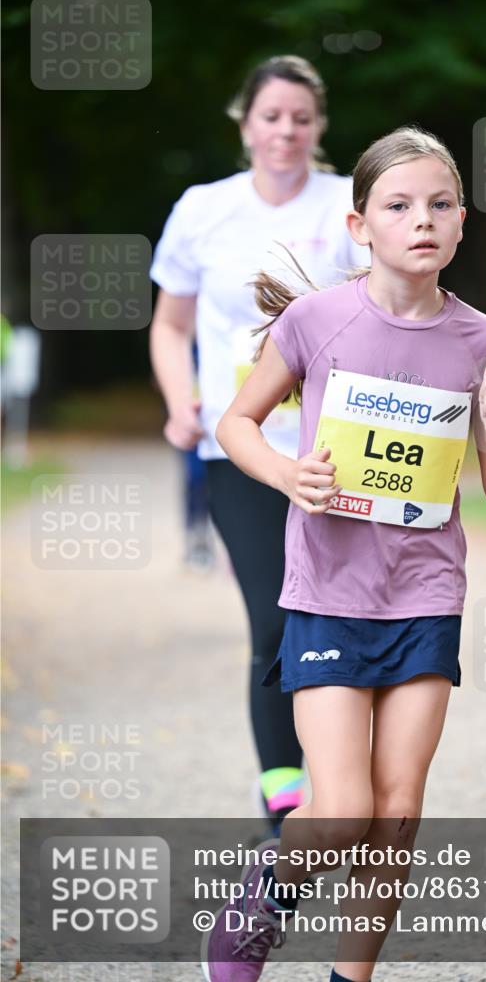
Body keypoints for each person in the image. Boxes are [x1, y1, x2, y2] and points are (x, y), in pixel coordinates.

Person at [202, 127, 486, 982]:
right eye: (398, 205)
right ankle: (266, 895)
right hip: (326, 593)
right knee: (343, 811)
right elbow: (235, 422)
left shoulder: (481, 341)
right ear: (359, 227)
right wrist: (287, 472)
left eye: (438, 205)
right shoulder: (318, 320)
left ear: (460, 223)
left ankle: (351, 978)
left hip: (424, 594)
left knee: (397, 814)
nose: (420, 220)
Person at [149, 56, 369, 832]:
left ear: (319, 128)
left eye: (301, 118)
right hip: (237, 448)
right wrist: (182, 403)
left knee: (342, 614)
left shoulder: (350, 205)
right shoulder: (203, 209)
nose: (286, 130)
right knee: (276, 615)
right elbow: (171, 326)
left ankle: (346, 784)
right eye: (271, 116)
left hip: (337, 448)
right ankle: (283, 788)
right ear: (245, 123)